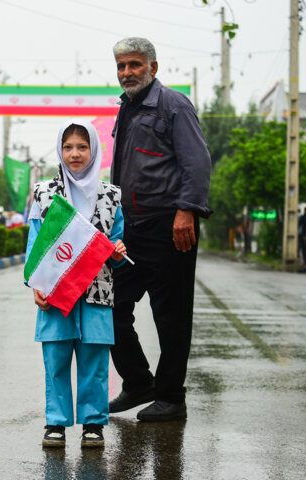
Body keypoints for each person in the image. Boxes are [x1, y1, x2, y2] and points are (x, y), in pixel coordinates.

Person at [108, 37, 212, 422]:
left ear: (153, 67)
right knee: (111, 304)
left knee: (171, 316)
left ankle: (171, 397)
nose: (126, 73)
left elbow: (197, 163)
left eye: (134, 65)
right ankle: (138, 383)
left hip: (171, 227)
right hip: (131, 229)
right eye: (121, 66)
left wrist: (187, 211)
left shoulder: (173, 104)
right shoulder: (127, 109)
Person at [27, 120, 126, 449]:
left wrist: (118, 252)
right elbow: (35, 246)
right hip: (54, 293)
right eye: (68, 147)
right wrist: (34, 284)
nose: (74, 153)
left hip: (97, 294)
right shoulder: (44, 194)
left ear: (94, 150)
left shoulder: (111, 196)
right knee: (55, 360)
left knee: (95, 362)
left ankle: (93, 425)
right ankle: (55, 422)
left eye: (82, 147)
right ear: (60, 150)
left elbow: (115, 247)